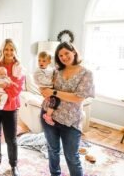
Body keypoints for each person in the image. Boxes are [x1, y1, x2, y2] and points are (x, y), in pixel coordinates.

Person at [40, 42, 95, 176]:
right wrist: (44, 90)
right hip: (49, 116)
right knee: (53, 150)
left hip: (71, 121)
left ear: (74, 52)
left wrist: (53, 93)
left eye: (66, 53)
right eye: (60, 55)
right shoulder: (56, 71)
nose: (64, 57)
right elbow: (44, 87)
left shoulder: (86, 73)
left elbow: (78, 97)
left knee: (72, 156)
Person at [0, 38, 25, 176]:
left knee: (10, 138)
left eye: (11, 49)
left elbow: (16, 90)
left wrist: (3, 92)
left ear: (15, 51)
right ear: (2, 50)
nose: (9, 52)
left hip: (10, 107)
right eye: (6, 49)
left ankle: (13, 165)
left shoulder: (18, 67)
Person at [34, 51, 60, 125]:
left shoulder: (50, 69)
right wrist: (53, 81)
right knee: (55, 100)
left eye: (44, 61)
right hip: (44, 87)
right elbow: (44, 80)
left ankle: (49, 112)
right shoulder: (38, 70)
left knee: (54, 100)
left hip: (49, 87)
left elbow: (54, 72)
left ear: (49, 62)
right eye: (39, 60)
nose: (41, 62)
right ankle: (47, 115)